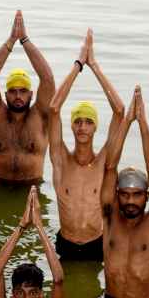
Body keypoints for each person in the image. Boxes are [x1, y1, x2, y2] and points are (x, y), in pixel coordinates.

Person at [48, 29, 125, 261]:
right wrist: (79, 64)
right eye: (78, 122)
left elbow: (120, 111)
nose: (82, 127)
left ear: (95, 128)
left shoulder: (104, 162)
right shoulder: (60, 160)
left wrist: (94, 65)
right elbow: (53, 109)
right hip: (66, 243)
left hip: (96, 243)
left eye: (88, 122)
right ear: (71, 127)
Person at [100, 86, 149, 298]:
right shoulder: (110, 217)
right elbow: (110, 167)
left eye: (137, 195)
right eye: (125, 194)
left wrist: (142, 124)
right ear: (117, 195)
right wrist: (126, 121)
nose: (131, 201)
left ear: (147, 197)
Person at [0, 10, 55, 183]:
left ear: (31, 94)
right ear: (6, 95)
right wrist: (10, 41)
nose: (18, 96)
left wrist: (25, 40)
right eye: (13, 91)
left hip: (33, 189)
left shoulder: (41, 118)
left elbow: (47, 79)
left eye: (22, 91)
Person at [0, 187, 65, 298]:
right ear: (12, 294)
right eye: (20, 293)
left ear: (41, 295)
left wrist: (39, 226)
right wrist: (22, 225)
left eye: (33, 293)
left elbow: (58, 279)